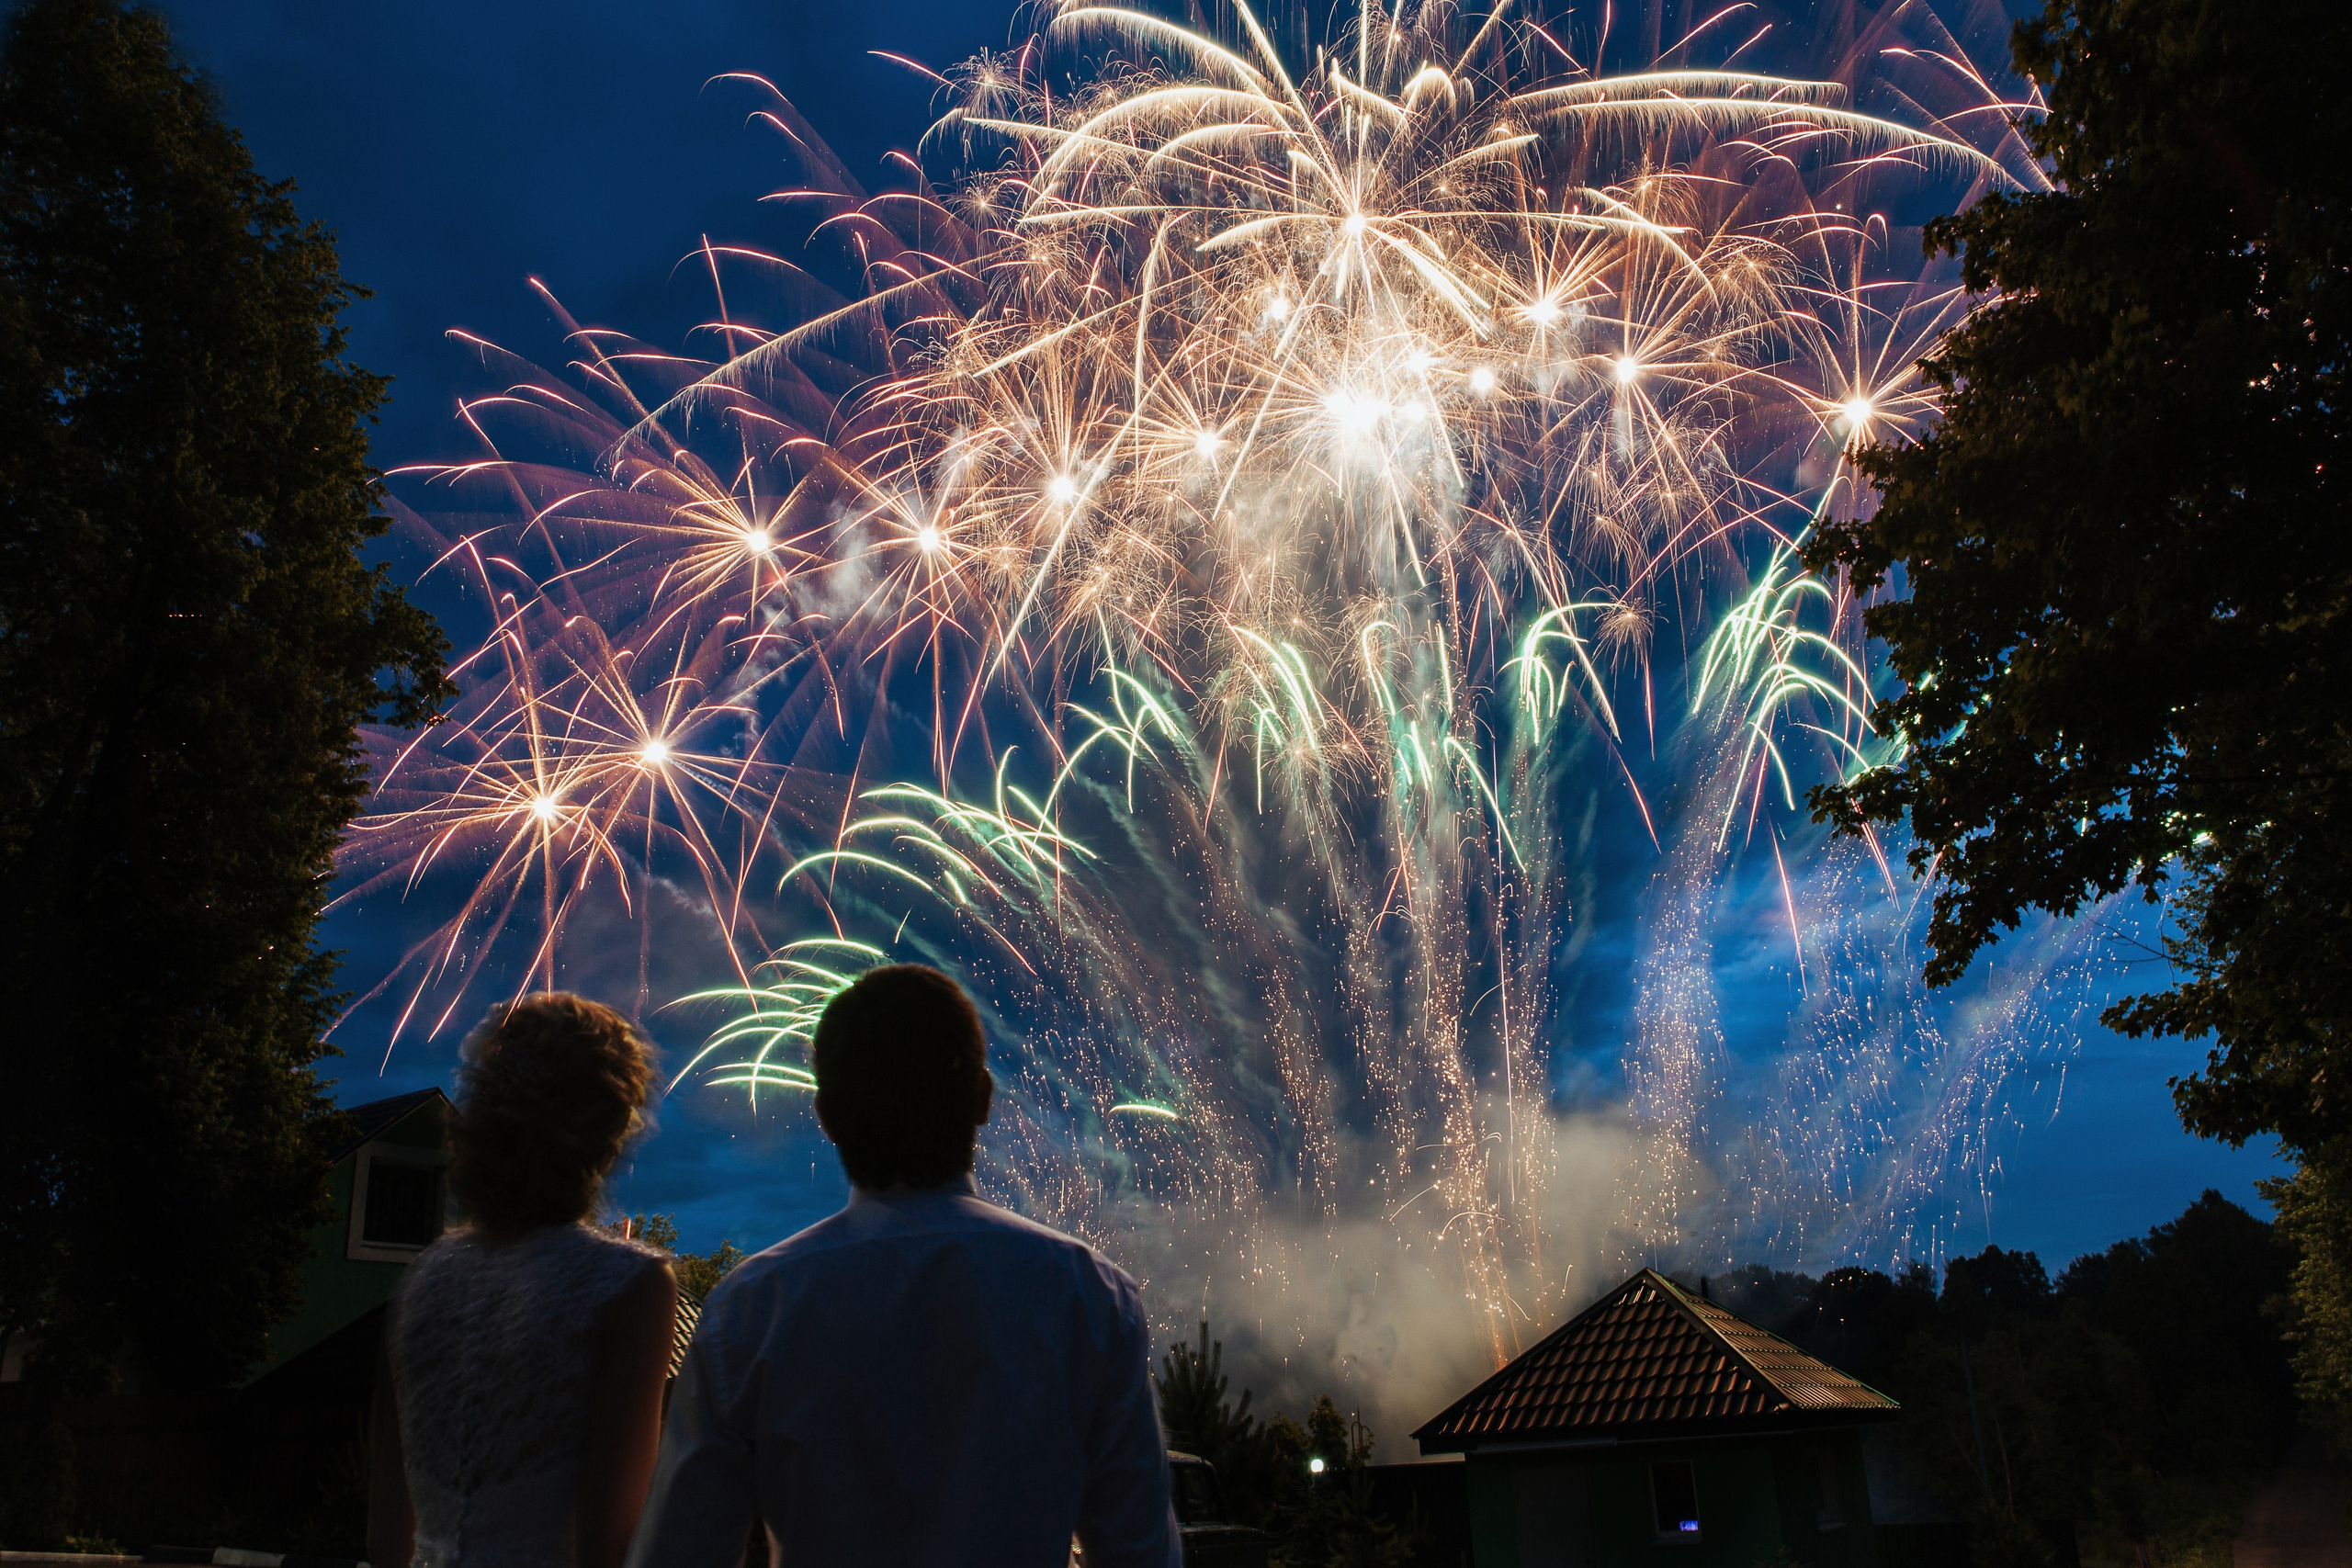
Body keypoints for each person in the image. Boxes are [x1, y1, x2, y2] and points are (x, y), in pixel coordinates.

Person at [627, 964, 1179, 1567]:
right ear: (983, 1097)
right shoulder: (1091, 1296)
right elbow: (1141, 1551)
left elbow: (679, 1549)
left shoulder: (749, 1309)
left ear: (827, 1116)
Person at [371, 994, 679, 1568]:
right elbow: (610, 1545)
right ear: (608, 1127)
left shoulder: (422, 1282)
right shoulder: (630, 1286)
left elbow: (387, 1539)